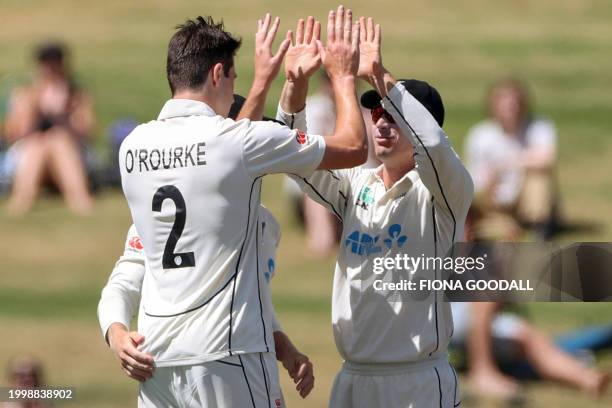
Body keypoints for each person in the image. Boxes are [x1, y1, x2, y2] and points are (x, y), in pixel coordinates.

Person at [116, 9, 366, 407]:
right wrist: (341, 75)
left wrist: (281, 85)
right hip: (226, 352)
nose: (235, 88)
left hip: (158, 357)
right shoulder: (234, 143)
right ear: (217, 74)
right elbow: (354, 147)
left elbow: (228, 158)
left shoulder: (132, 147)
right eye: (234, 77)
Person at [278, 17, 473, 407]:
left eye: (393, 115)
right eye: (377, 114)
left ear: (416, 124)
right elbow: (292, 157)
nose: (381, 122)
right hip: (354, 378)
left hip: (416, 381)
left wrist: (378, 75)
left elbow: (433, 144)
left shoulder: (445, 194)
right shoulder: (356, 185)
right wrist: (294, 89)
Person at [98, 206, 315, 402]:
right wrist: (117, 334)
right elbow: (122, 285)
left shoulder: (267, 224)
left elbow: (252, 298)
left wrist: (284, 347)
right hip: (169, 368)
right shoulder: (153, 216)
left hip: (230, 363)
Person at [3, 42, 95, 215]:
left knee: (57, 139)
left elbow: (87, 134)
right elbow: (15, 134)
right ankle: (23, 199)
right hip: (29, 156)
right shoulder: (24, 94)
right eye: (47, 63)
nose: (51, 68)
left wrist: (64, 114)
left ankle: (78, 198)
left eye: (55, 63)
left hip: (69, 156)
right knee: (38, 143)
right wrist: (36, 105)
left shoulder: (77, 94)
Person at [464, 78, 559, 241]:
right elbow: (473, 176)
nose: (510, 109)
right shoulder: (480, 135)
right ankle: (495, 226)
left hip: (523, 196)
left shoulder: (539, 127)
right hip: (494, 200)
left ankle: (537, 226)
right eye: (505, 105)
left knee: (538, 177)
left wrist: (508, 165)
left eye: (514, 104)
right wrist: (488, 183)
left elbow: (547, 158)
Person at [451, 302, 611, 398]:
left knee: (529, 341)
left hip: (453, 321)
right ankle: (587, 379)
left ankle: (588, 378)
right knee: (528, 337)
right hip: (455, 320)